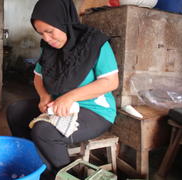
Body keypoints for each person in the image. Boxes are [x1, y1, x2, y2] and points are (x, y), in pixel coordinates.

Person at [7, 0, 119, 177]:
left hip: (95, 111)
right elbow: (38, 77)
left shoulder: (94, 42)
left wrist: (70, 97)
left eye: (50, 31)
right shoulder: (49, 48)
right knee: (15, 111)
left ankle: (68, 174)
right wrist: (44, 97)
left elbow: (110, 82)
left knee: (44, 132)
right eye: (41, 33)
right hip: (57, 103)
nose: (46, 39)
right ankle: (38, 163)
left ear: (64, 21)